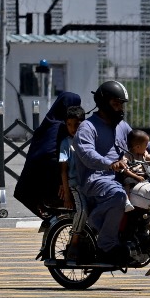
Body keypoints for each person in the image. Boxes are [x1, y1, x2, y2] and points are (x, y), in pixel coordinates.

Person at [74, 80, 150, 265]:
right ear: (103, 103)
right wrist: (110, 163)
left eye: (121, 104)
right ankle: (106, 244)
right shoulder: (88, 127)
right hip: (96, 179)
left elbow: (142, 144)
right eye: (115, 104)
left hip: (122, 176)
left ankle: (136, 236)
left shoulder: (121, 126)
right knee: (119, 196)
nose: (120, 108)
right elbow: (87, 154)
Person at [13, 91, 82, 218]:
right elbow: (53, 157)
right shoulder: (62, 127)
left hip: (31, 178)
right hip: (51, 179)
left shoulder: (49, 122)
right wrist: (62, 182)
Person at [58, 105, 87, 261]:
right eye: (69, 125)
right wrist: (67, 195)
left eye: (76, 124)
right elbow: (63, 169)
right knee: (82, 210)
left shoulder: (89, 139)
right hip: (76, 185)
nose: (73, 128)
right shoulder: (66, 143)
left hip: (91, 183)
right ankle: (74, 241)